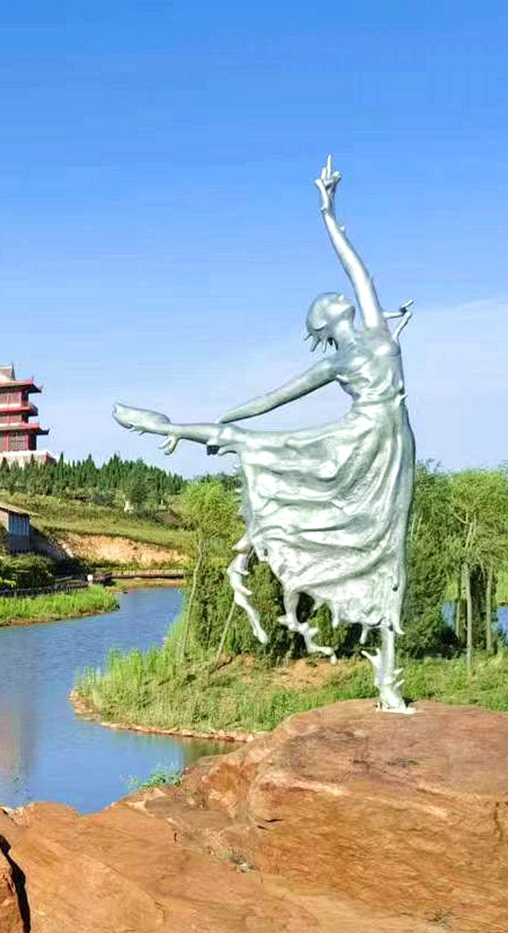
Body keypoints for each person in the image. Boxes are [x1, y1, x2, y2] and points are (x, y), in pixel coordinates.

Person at [114, 157, 418, 711]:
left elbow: (360, 272)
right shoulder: (338, 360)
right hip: (361, 437)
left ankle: (389, 681)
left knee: (387, 543)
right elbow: (273, 399)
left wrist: (329, 213)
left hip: (393, 442)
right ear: (327, 325)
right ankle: (172, 427)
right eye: (329, 304)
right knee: (260, 444)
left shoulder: (377, 328)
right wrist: (226, 419)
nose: (340, 297)